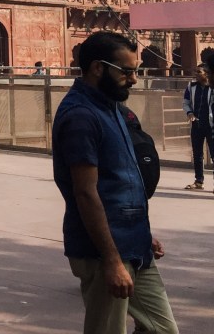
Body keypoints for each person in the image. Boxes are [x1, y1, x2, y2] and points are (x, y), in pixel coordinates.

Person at [52, 31, 178, 334]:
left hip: (131, 243)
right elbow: (86, 192)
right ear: (98, 68)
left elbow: (119, 181)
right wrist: (111, 260)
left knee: (161, 328)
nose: (134, 79)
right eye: (127, 71)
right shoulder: (82, 116)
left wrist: (140, 233)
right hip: (102, 251)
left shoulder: (109, 106)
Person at [182, 62, 211, 190]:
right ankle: (199, 181)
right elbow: (186, 102)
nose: (196, 74)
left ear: (207, 73)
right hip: (197, 124)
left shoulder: (212, 87)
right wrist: (189, 113)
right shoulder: (191, 86)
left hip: (211, 125)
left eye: (199, 72)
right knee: (197, 154)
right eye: (196, 72)